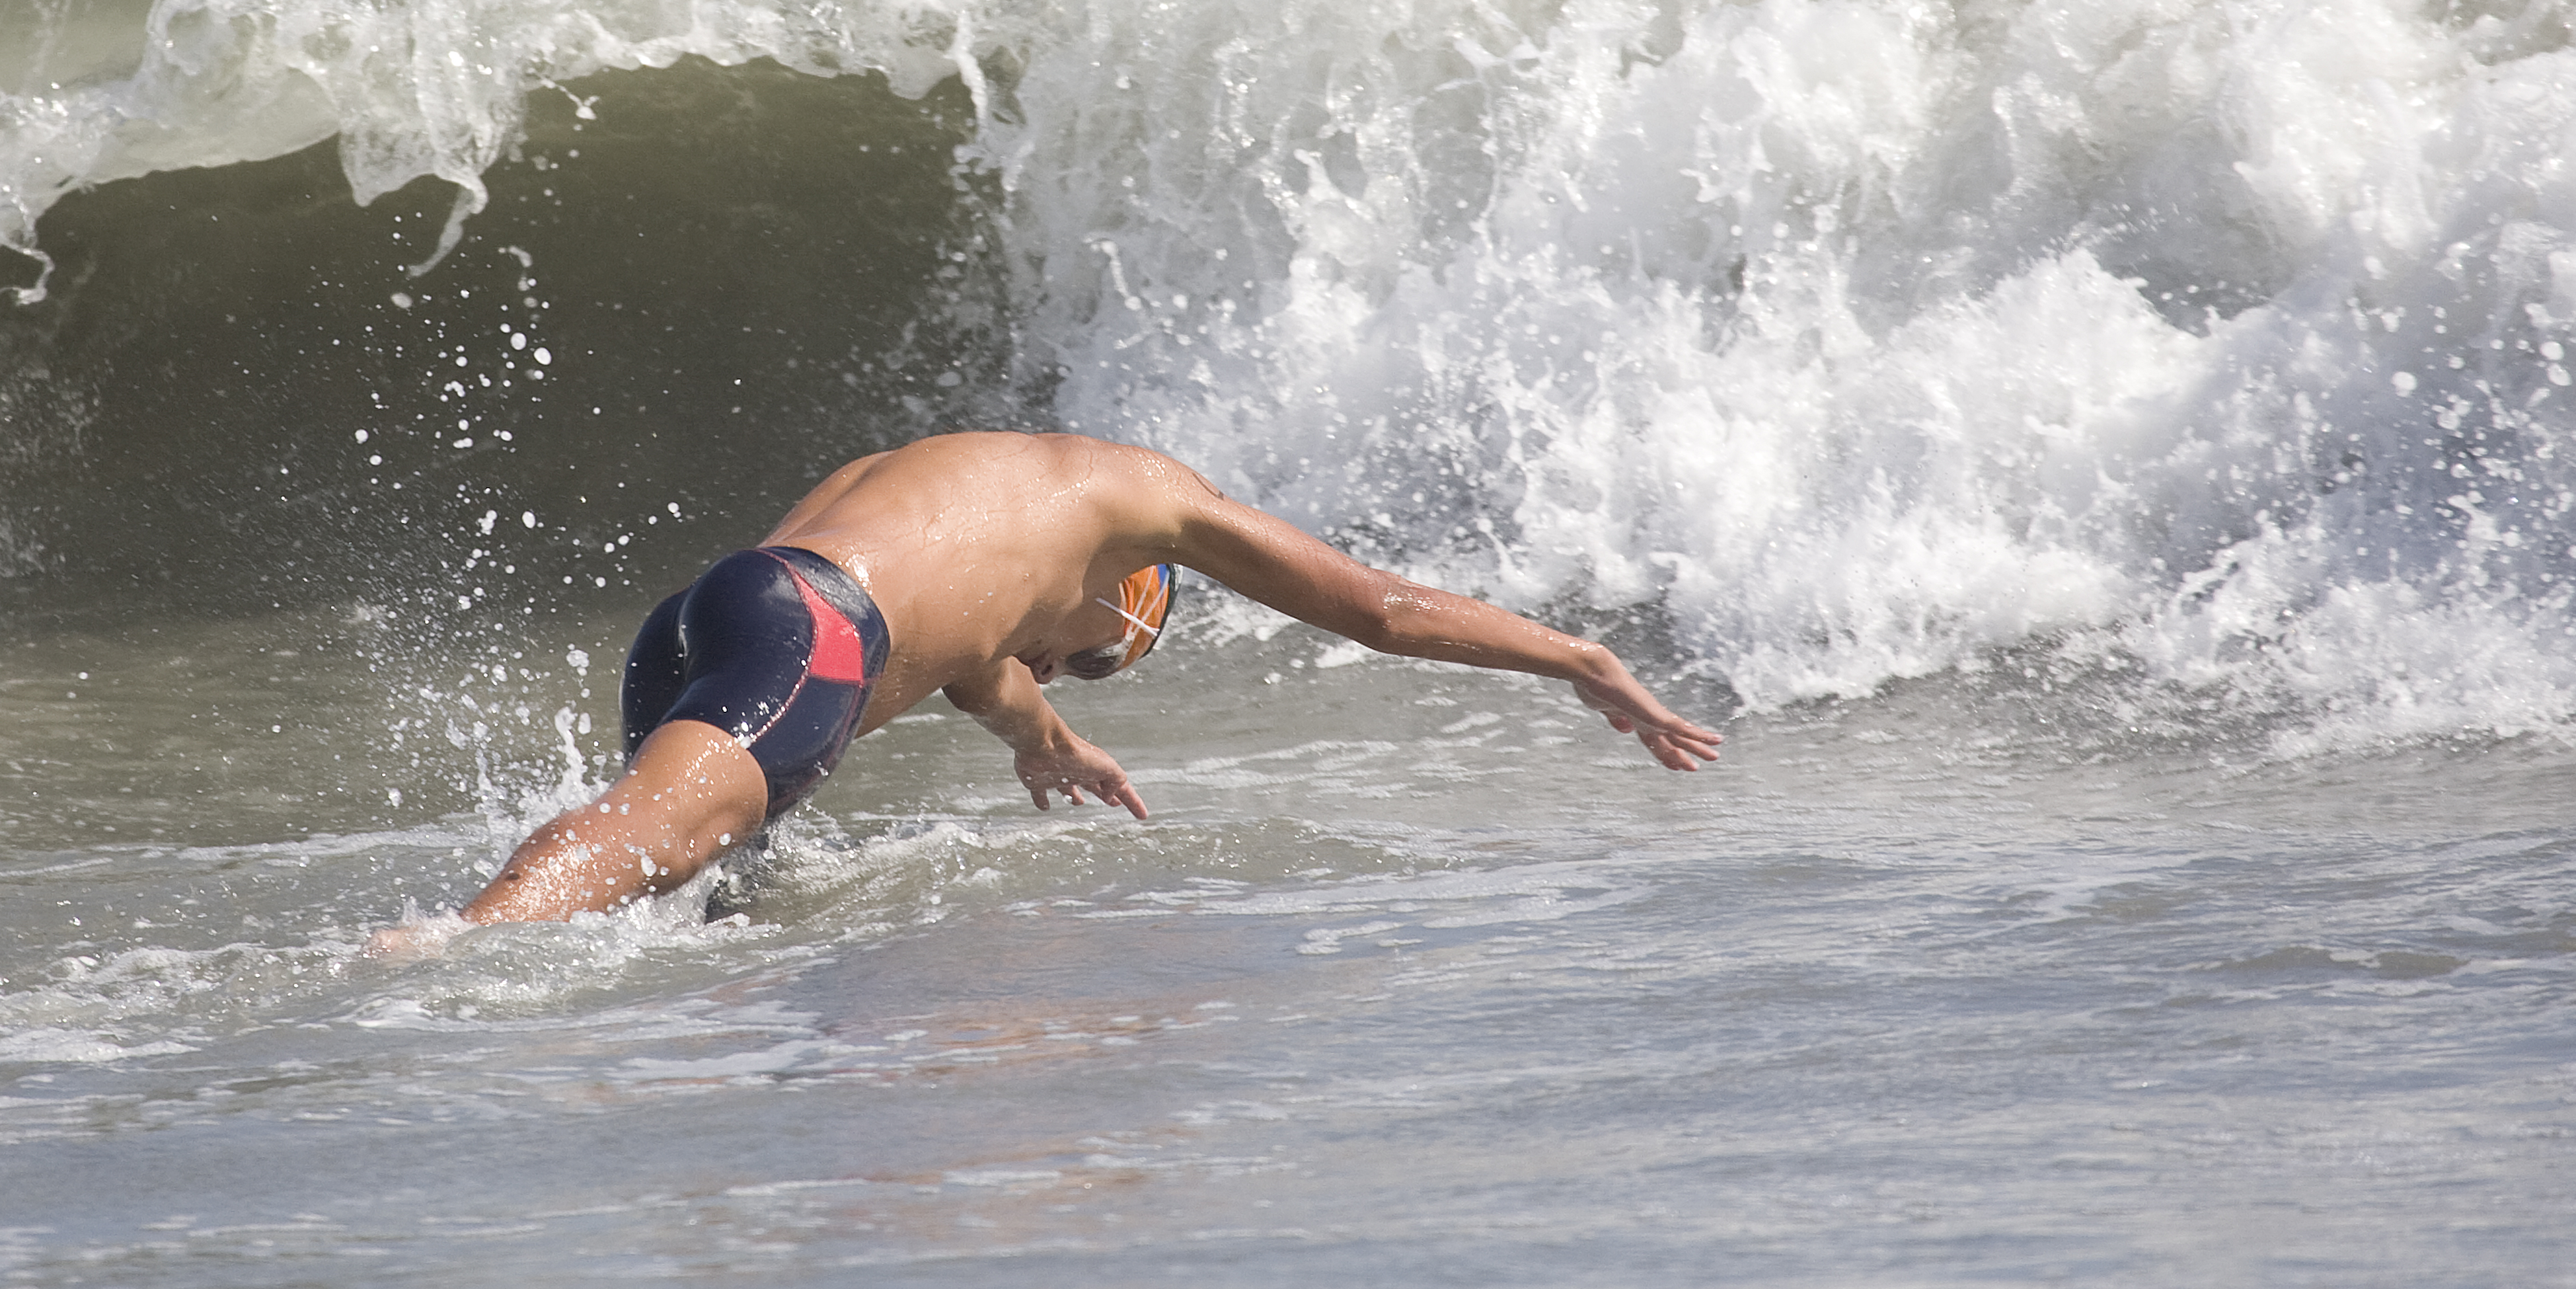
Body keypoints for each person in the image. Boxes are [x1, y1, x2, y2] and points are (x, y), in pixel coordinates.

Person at [416, 432, 1719, 933]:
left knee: (673, 898)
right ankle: (443, 954)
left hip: (716, 610)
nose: (1057, 667)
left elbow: (969, 643)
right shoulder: (1153, 507)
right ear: (1128, 599)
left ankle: (508, 971)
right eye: (1087, 655)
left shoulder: (995, 484)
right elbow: (1379, 610)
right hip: (813, 635)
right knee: (647, 842)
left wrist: (1044, 737)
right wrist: (1577, 659)